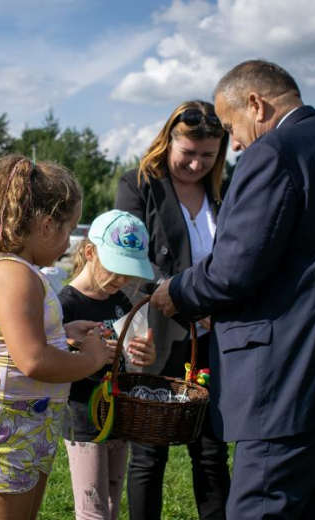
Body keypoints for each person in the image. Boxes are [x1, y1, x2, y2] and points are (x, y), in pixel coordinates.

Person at [150, 60, 315, 519]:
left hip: (289, 380)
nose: (234, 143)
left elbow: (234, 267)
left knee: (260, 510)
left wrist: (177, 292)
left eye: (232, 126)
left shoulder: (274, 151)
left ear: (256, 104)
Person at [0, 154, 109, 520]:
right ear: (46, 224)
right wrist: (92, 360)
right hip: (5, 429)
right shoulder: (14, 274)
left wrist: (62, 333)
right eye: (68, 230)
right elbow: (33, 360)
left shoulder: (18, 270)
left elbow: (16, 339)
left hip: (26, 424)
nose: (69, 243)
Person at [115, 100, 231, 520]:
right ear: (168, 142)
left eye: (208, 156)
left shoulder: (226, 191)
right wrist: (188, 298)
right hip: (158, 337)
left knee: (213, 452)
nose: (197, 164)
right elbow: (129, 262)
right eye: (188, 153)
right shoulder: (138, 184)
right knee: (149, 454)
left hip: (216, 338)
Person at [59, 209, 157, 520]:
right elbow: (55, 363)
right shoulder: (66, 304)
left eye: (130, 271)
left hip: (117, 415)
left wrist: (144, 354)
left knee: (113, 504)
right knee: (94, 510)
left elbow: (132, 355)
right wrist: (89, 354)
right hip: (83, 419)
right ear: (90, 252)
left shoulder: (121, 300)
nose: (123, 279)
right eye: (116, 269)